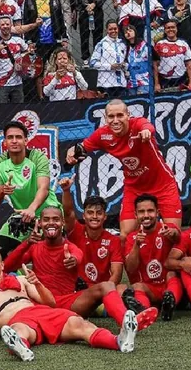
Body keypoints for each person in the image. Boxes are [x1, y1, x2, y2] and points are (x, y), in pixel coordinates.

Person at [0, 248, 151, 361]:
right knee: (19, 329)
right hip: (17, 319)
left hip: (41, 310)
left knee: (81, 325)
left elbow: (50, 302)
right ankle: (20, 346)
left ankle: (119, 341)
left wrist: (37, 283)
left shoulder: (21, 280)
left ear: (3, 265)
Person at [4, 206, 158, 327]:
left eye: (56, 219)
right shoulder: (34, 246)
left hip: (68, 303)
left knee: (107, 285)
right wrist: (26, 243)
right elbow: (8, 266)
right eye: (47, 219)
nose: (51, 223)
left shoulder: (70, 247)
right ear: (40, 223)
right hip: (40, 302)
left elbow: (77, 256)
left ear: (62, 223)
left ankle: (127, 322)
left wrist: (72, 260)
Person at [66, 99, 182, 243]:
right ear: (105, 118)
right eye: (111, 117)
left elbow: (147, 126)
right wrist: (71, 152)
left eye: (120, 115)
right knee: (125, 237)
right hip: (134, 188)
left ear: (128, 115)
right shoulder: (103, 134)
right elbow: (82, 148)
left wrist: (146, 132)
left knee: (173, 235)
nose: (115, 120)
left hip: (163, 185)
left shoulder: (138, 124)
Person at [0, 121, 61, 256]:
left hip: (48, 213)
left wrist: (32, 209)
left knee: (51, 254)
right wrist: (2, 191)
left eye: (19, 137)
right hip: (23, 216)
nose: (14, 141)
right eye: (10, 138)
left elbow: (44, 188)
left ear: (26, 140)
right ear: (4, 142)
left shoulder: (37, 157)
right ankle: (15, 277)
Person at [59, 177, 127, 292]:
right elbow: (68, 213)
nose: (94, 216)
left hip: (101, 291)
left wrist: (106, 290)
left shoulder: (113, 240)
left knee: (122, 288)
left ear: (105, 216)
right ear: (84, 216)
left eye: (99, 213)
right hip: (77, 290)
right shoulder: (75, 230)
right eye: (90, 213)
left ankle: (110, 308)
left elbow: (117, 273)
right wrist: (66, 191)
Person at [123, 194, 183, 321]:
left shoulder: (167, 228)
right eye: (141, 212)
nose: (146, 215)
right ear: (135, 215)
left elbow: (177, 236)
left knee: (171, 274)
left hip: (168, 285)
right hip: (148, 288)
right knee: (137, 286)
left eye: (150, 211)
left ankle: (170, 303)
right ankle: (144, 310)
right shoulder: (132, 238)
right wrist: (136, 245)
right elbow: (130, 268)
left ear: (157, 213)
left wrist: (171, 234)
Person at [22, 0, 67, 66]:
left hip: (54, 40)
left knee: (56, 68)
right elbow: (26, 21)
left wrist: (64, 37)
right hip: (37, 41)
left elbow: (60, 18)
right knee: (39, 70)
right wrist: (29, 41)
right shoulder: (29, 0)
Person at [0, 16, 30, 103]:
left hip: (18, 82)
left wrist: (22, 64)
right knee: (2, 110)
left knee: (19, 110)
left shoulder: (19, 40)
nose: (5, 26)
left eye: (7, 24)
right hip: (1, 83)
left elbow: (27, 55)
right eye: (2, 24)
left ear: (11, 25)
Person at [153, 19, 191, 91]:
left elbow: (189, 64)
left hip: (181, 79)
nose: (170, 29)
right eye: (168, 28)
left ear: (176, 29)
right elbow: (155, 65)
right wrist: (157, 84)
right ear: (165, 30)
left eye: (173, 27)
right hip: (164, 80)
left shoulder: (184, 44)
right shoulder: (159, 44)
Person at [90, 20, 128, 98]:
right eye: (110, 29)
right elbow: (93, 63)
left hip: (121, 84)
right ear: (106, 30)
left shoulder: (123, 44)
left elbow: (127, 62)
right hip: (106, 84)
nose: (113, 31)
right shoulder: (101, 44)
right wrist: (110, 66)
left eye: (115, 29)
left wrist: (124, 66)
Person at [122, 24, 150, 95]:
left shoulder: (144, 45)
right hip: (131, 83)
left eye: (130, 30)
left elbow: (155, 60)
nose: (128, 33)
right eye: (126, 32)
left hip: (144, 81)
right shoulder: (125, 48)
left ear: (135, 32)